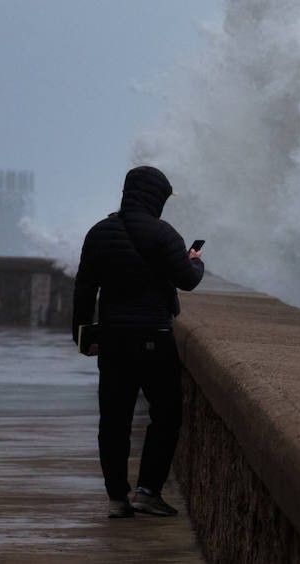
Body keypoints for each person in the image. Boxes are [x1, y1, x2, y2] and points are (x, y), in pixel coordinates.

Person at [72, 165, 205, 518]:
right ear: (157, 197)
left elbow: (84, 290)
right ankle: (148, 491)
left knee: (114, 420)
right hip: (154, 340)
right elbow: (187, 281)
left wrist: (83, 336)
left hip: (114, 341)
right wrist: (195, 262)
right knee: (167, 414)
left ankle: (117, 497)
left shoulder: (98, 233)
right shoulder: (164, 235)